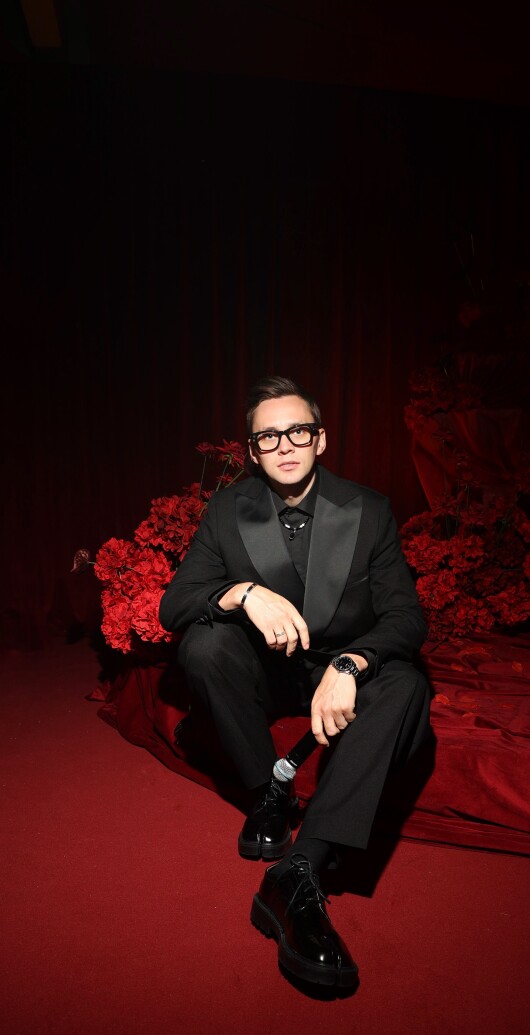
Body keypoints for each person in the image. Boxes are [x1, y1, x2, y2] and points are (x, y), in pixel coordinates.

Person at [159, 375, 431, 989]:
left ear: (320, 439)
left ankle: (299, 871)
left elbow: (406, 619)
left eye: (298, 432)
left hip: (338, 670)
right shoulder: (228, 510)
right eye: (268, 437)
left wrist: (351, 664)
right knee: (203, 643)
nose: (284, 446)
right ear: (253, 452)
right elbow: (174, 606)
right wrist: (241, 592)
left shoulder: (368, 509)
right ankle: (270, 794)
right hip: (267, 670)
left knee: (408, 685)